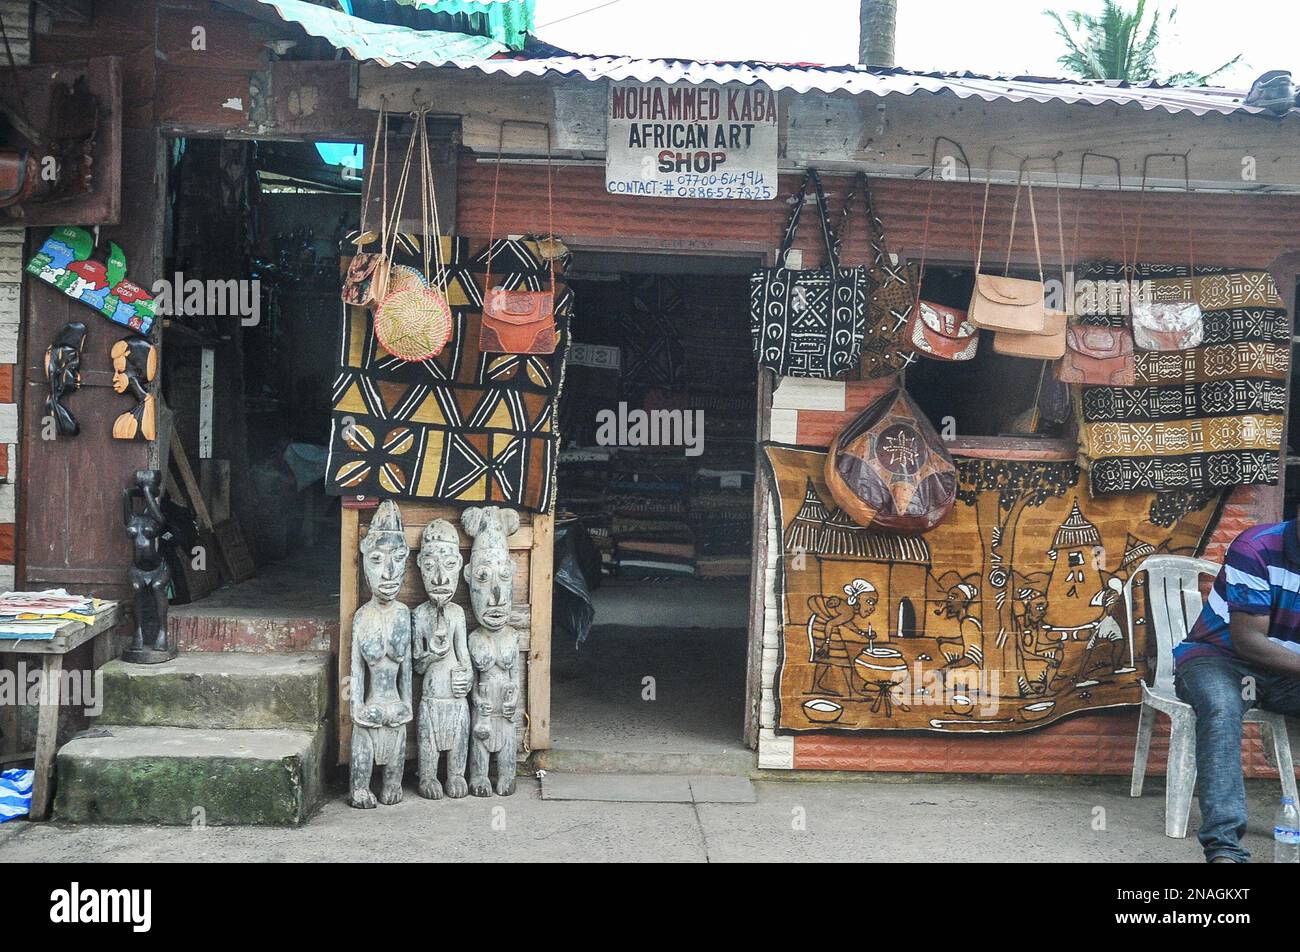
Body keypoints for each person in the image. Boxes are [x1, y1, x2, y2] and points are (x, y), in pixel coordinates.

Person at [1174, 519, 1300, 862]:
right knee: (1220, 708)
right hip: (1221, 659)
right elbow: (1249, 642)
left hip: (1287, 670)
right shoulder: (1257, 547)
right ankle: (1225, 848)